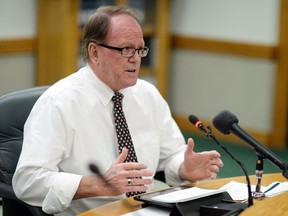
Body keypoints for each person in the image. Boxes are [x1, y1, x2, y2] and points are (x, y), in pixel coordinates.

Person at [12, 5, 223, 216]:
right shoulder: (58, 102)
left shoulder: (147, 95)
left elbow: (171, 156)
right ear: (94, 52)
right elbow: (27, 180)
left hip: (149, 210)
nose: (135, 58)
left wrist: (183, 168)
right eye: (125, 49)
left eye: (140, 49)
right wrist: (94, 184)